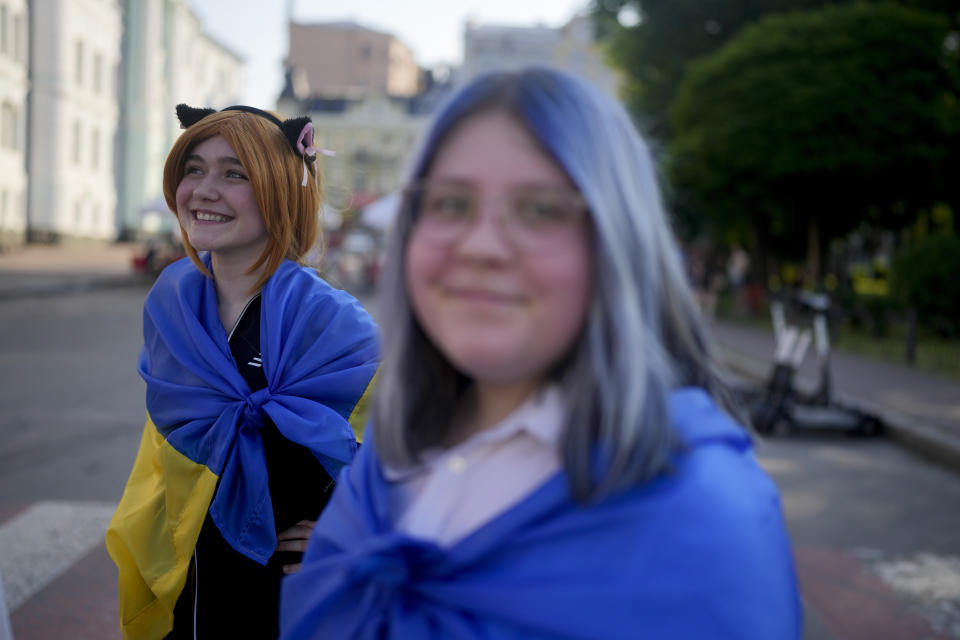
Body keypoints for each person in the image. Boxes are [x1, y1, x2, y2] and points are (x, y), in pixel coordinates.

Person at [280, 68, 802, 639]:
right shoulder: (390, 453)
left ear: (616, 243)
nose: (481, 245)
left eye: (541, 210)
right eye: (450, 204)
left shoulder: (708, 519)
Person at [106, 104, 379, 639]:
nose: (204, 190)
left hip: (287, 596)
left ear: (280, 189)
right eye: (193, 169)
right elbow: (165, 455)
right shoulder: (172, 307)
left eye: (234, 173)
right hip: (188, 580)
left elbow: (407, 457)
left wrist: (355, 531)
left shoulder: (334, 324)